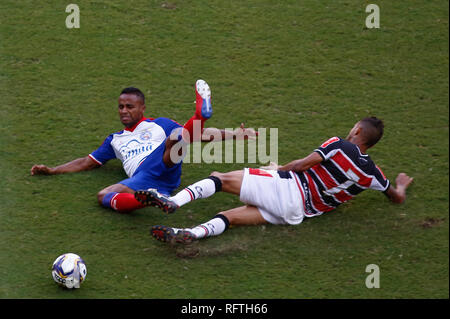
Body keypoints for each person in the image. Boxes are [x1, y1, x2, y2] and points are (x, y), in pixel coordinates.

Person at [134, 117, 414, 244]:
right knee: (230, 217)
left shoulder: (339, 145)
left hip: (290, 188)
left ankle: (172, 201)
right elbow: (395, 196)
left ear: (356, 130)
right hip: (297, 213)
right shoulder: (373, 174)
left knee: (218, 178)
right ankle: (192, 234)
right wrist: (401, 184)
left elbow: (303, 165)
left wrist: (276, 168)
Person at [31, 80, 256, 213]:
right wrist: (53, 170)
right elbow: (87, 162)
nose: (124, 111)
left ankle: (200, 114)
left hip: (166, 163)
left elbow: (199, 136)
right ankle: (148, 199)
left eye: (130, 106)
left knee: (176, 138)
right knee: (103, 195)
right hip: (145, 179)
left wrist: (235, 134)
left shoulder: (160, 124)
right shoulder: (114, 140)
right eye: (120, 107)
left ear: (142, 108)